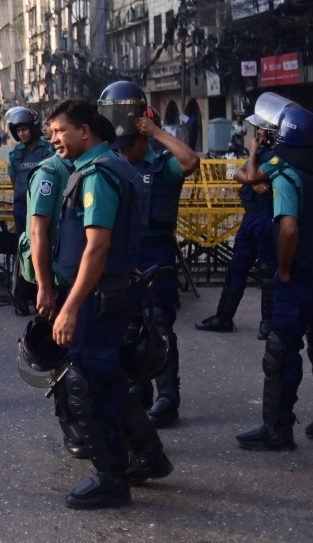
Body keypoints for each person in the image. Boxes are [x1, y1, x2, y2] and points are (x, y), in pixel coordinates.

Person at [49, 100, 172, 510]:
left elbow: (97, 246)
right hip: (112, 291)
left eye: (60, 131)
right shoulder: (116, 166)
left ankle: (111, 479)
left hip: (97, 296)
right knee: (108, 379)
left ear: (85, 131)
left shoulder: (99, 173)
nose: (54, 139)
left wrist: (70, 307)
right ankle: (151, 456)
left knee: (87, 383)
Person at [236, 105, 313, 451]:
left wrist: (286, 268)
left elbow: (288, 228)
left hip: (299, 276)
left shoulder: (287, 176)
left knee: (282, 349)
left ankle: (277, 428)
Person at [101, 81, 200, 429]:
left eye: (132, 142)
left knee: (159, 326)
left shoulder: (163, 165)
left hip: (156, 250)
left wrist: (156, 132)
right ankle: (137, 387)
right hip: (122, 252)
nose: (126, 150)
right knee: (127, 325)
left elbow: (190, 161)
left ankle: (168, 397)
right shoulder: (113, 161)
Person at [197, 92, 290, 338]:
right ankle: (224, 317)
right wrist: (252, 181)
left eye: (259, 130)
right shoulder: (261, 153)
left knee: (268, 274)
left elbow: (248, 174)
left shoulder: (279, 155)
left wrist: (251, 159)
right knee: (237, 268)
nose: (255, 133)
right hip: (251, 217)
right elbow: (240, 175)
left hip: (267, 218)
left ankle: (267, 325)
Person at [21, 114, 84, 457]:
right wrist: (44, 285)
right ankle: (70, 424)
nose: (58, 138)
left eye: (64, 130)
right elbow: (38, 233)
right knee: (62, 354)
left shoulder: (90, 166)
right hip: (57, 277)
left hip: (83, 277)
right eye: (54, 132)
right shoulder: (51, 171)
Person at [5, 106, 54, 317]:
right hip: (23, 207)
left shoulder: (49, 150)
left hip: (44, 206)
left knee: (44, 248)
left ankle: (32, 294)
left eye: (24, 129)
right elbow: (15, 181)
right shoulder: (14, 154)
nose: (22, 133)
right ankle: (23, 295)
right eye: (18, 131)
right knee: (27, 250)